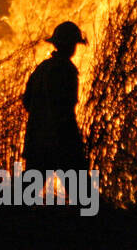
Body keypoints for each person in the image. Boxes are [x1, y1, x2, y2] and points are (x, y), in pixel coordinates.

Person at [22, 21, 89, 177]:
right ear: (72, 46)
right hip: (62, 142)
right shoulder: (67, 71)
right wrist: (72, 142)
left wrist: (40, 120)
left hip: (37, 140)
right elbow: (65, 110)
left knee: (26, 193)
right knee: (83, 195)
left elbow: (27, 101)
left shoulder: (42, 68)